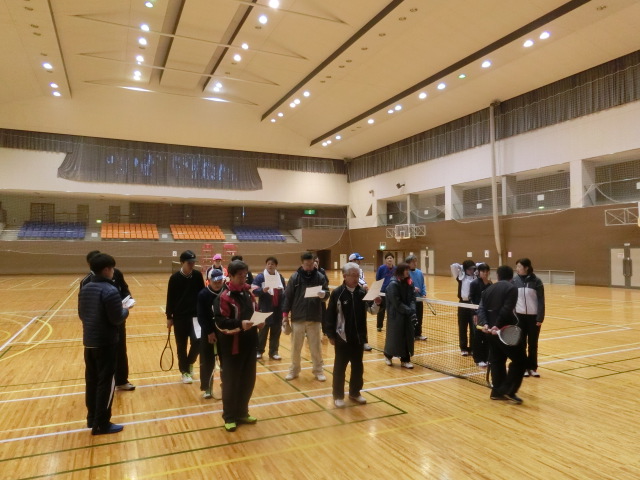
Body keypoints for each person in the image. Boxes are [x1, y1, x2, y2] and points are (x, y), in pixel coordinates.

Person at [78, 253, 130, 435]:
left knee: (92, 381)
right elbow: (116, 318)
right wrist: (125, 310)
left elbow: (82, 315)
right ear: (107, 269)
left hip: (89, 343)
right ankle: (102, 424)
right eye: (112, 268)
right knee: (106, 383)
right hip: (106, 343)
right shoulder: (110, 290)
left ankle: (92, 418)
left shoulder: (85, 288)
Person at [213, 260, 263, 432]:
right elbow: (221, 323)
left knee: (247, 381)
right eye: (240, 276)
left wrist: (259, 321)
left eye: (245, 275)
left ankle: (242, 413)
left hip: (249, 344)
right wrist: (240, 324)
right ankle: (229, 416)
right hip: (232, 348)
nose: (243, 278)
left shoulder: (248, 293)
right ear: (231, 276)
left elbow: (255, 311)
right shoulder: (223, 297)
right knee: (231, 383)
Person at [326, 262, 381, 408]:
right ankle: (338, 395)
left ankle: (355, 392)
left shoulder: (362, 293)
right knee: (340, 368)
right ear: (345, 276)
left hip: (358, 338)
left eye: (358, 275)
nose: (356, 278)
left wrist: (377, 303)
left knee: (358, 367)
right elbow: (330, 315)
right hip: (342, 338)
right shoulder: (337, 293)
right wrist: (330, 334)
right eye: (353, 275)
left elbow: (372, 311)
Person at [80, 250, 135, 391]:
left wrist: (127, 300)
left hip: (117, 321)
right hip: (100, 328)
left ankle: (121, 381)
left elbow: (125, 290)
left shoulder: (116, 274)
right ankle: (103, 386)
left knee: (120, 351)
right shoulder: (86, 282)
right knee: (101, 364)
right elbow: (83, 310)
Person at [477, 265, 526, 404]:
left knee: (497, 360)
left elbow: (481, 309)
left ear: (498, 276)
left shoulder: (488, 289)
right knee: (521, 360)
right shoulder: (511, 288)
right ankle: (508, 390)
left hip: (490, 332)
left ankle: (497, 392)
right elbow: (506, 309)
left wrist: (485, 324)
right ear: (511, 277)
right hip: (504, 331)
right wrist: (497, 325)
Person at [282, 252, 329, 381]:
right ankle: (294, 370)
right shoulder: (295, 277)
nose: (309, 267)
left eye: (311, 264)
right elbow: (288, 297)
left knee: (316, 348)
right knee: (295, 348)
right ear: (302, 264)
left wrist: (324, 294)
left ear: (314, 262)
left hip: (314, 317)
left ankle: (318, 371)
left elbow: (327, 294)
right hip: (298, 317)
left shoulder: (320, 277)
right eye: (307, 264)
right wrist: (285, 315)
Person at [166, 250, 205, 384]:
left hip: (196, 317)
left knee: (198, 342)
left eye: (193, 262)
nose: (192, 265)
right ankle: (185, 372)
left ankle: (189, 363)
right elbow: (170, 299)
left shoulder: (197, 276)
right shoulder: (174, 278)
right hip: (180, 318)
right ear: (182, 262)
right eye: (189, 263)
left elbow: (202, 295)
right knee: (181, 346)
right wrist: (169, 317)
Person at [513, 258, 545, 378]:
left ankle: (532, 367)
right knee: (521, 343)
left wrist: (540, 318)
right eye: (517, 267)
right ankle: (523, 367)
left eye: (519, 267)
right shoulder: (514, 281)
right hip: (519, 317)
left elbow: (541, 301)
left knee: (533, 343)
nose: (517, 269)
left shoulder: (536, 281)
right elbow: (512, 300)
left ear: (526, 268)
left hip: (533, 318)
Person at [196, 267, 226, 399]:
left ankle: (226, 385)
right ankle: (207, 387)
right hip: (208, 333)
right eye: (215, 281)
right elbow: (201, 316)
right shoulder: (203, 294)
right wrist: (209, 332)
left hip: (224, 332)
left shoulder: (226, 292)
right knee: (207, 362)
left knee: (226, 361)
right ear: (209, 281)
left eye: (220, 281)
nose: (218, 284)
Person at [383, 262, 417, 369]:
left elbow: (412, 298)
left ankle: (405, 360)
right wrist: (409, 310)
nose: (407, 272)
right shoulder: (393, 284)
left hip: (407, 314)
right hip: (396, 316)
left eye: (408, 270)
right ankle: (388, 355)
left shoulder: (410, 283)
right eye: (406, 270)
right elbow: (396, 303)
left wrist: (412, 310)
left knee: (407, 337)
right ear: (400, 271)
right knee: (394, 337)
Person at [252, 256, 286, 361]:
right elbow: (253, 291)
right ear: (266, 265)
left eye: (272, 264)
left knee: (276, 332)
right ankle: (259, 351)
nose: (270, 266)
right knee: (262, 332)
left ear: (276, 266)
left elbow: (284, 293)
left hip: (277, 309)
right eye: (268, 264)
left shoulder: (280, 277)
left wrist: (284, 308)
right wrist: (262, 290)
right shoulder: (260, 277)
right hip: (264, 308)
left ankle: (274, 352)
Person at [451, 260, 477, 356]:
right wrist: (462, 267)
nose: (471, 271)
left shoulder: (476, 278)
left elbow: (481, 264)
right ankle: (463, 348)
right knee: (462, 327)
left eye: (473, 269)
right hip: (462, 304)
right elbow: (453, 266)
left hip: (473, 304)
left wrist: (475, 265)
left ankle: (473, 348)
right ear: (465, 269)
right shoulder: (460, 277)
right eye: (469, 269)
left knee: (473, 328)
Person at [348, 252, 373, 351]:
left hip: (360, 297)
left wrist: (364, 286)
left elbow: (361, 281)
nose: (359, 262)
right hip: (350, 298)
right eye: (358, 260)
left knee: (362, 319)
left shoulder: (360, 270)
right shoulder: (347, 271)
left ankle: (363, 341)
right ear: (352, 261)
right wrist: (364, 285)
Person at [469, 263, 492, 367]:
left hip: (487, 314)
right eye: (483, 271)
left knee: (487, 336)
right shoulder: (474, 283)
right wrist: (474, 313)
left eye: (487, 271)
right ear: (479, 272)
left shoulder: (490, 284)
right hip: (478, 314)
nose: (485, 273)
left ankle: (486, 357)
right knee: (478, 336)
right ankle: (478, 359)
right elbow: (471, 299)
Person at [405, 254, 427, 341]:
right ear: (408, 263)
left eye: (415, 261)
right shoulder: (406, 273)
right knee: (411, 318)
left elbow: (423, 284)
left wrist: (424, 293)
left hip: (419, 299)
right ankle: (411, 335)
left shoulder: (420, 273)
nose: (415, 263)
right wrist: (413, 288)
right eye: (412, 262)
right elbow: (405, 285)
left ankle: (418, 334)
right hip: (410, 300)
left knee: (419, 317)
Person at [375, 253, 396, 331]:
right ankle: (379, 326)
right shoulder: (381, 268)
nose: (389, 259)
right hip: (382, 292)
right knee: (381, 309)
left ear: (393, 259)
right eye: (388, 258)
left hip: (392, 292)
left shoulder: (396, 269)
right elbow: (378, 279)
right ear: (385, 260)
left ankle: (391, 325)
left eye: (391, 258)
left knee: (391, 310)